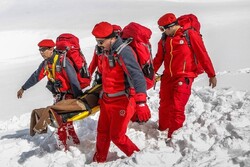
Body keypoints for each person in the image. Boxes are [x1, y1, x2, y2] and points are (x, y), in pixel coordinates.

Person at [91, 21, 151, 162]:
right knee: (102, 133)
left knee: (117, 136)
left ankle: (139, 158)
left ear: (111, 38)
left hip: (122, 100)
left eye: (101, 41)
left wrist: (141, 103)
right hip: (107, 100)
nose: (99, 45)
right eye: (97, 42)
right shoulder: (106, 50)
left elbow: (137, 77)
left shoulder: (124, 52)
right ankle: (98, 161)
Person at [153, 13, 217, 141]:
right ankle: (161, 130)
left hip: (184, 76)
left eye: (162, 28)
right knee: (164, 105)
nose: (162, 31)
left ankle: (173, 139)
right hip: (168, 77)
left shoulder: (189, 35)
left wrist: (211, 74)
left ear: (171, 26)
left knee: (177, 107)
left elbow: (202, 54)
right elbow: (158, 58)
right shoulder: (164, 39)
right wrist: (149, 75)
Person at [17, 39, 84, 103]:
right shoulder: (45, 64)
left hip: (70, 96)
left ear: (51, 49)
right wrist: (23, 88)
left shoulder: (63, 61)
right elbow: (35, 77)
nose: (41, 52)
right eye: (40, 50)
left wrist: (78, 97)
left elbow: (73, 79)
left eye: (43, 50)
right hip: (59, 97)